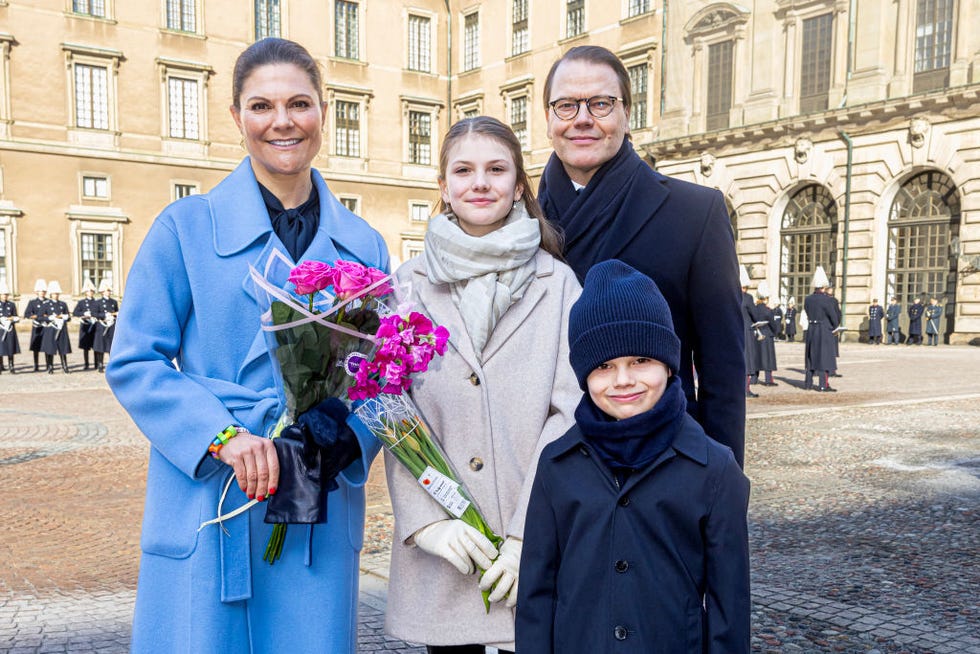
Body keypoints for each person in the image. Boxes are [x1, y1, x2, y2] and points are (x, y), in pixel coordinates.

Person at [105, 38, 390, 653]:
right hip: (213, 497)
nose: (281, 121)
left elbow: (384, 378)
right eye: (261, 106)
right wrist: (222, 436)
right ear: (236, 118)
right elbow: (135, 360)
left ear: (323, 111)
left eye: (299, 104)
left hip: (314, 500)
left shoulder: (365, 245)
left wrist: (340, 435)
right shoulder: (184, 229)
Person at [384, 116, 581, 654]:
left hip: (531, 546)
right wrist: (425, 524)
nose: (480, 182)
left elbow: (570, 411)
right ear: (443, 187)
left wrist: (527, 533)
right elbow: (390, 412)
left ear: (519, 185)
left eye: (497, 169)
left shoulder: (558, 282)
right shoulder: (406, 285)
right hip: (448, 551)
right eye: (464, 170)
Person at [516, 259, 750, 654]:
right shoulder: (557, 465)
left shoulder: (714, 468)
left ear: (668, 364)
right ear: (584, 375)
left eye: (640, 361)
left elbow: (730, 608)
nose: (623, 380)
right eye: (604, 366)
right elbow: (536, 596)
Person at [537, 45, 745, 467]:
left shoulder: (694, 212)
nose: (582, 118)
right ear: (547, 119)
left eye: (600, 104)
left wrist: (723, 483)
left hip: (656, 465)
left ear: (627, 114)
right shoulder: (519, 217)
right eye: (566, 105)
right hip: (545, 466)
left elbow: (723, 368)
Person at [803, 267, 839, 392]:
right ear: (823, 287)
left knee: (810, 356)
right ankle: (823, 384)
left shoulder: (808, 299)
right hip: (824, 329)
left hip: (812, 328)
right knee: (824, 356)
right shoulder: (826, 300)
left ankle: (808, 383)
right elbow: (833, 316)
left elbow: (807, 311)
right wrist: (835, 326)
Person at [749, 281, 779, 386]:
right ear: (765, 298)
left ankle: (753, 379)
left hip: (756, 334)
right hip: (767, 334)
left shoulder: (754, 309)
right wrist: (776, 332)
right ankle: (768, 380)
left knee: (756, 357)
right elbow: (773, 324)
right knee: (767, 359)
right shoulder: (768, 311)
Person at [40, 281, 71, 374]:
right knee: (50, 348)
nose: (56, 295)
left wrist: (65, 317)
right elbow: (39, 317)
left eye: (57, 293)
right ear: (51, 294)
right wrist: (49, 318)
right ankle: (50, 366)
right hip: (51, 329)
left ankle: (65, 366)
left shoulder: (63, 304)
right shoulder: (46, 304)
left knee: (63, 348)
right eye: (54, 294)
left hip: (61, 329)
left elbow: (68, 316)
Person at [739, 267, 759, 398]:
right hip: (746, 331)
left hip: (734, 331)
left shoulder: (730, 294)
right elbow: (755, 314)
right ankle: (746, 389)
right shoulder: (748, 298)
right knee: (748, 361)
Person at [73, 279, 100, 370]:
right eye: (89, 291)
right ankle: (86, 363)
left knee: (96, 346)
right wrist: (83, 314)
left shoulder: (97, 302)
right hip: (85, 325)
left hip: (95, 326)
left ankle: (97, 363)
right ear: (85, 292)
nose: (90, 293)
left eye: (92, 291)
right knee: (86, 347)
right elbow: (75, 313)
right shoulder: (81, 303)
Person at [93, 279, 119, 373]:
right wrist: (105, 315)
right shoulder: (98, 302)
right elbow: (94, 313)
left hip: (112, 326)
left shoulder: (113, 302)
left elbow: (117, 311)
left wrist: (115, 314)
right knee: (101, 346)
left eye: (109, 290)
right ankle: (100, 364)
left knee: (111, 345)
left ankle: (111, 363)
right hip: (102, 326)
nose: (108, 292)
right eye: (107, 290)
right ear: (102, 292)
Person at [24, 279, 46, 372]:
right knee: (35, 347)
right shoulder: (32, 302)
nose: (42, 293)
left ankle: (48, 364)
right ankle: (36, 365)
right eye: (40, 291)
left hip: (46, 326)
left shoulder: (48, 302)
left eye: (44, 291)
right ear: (36, 292)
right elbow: (27, 314)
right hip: (37, 326)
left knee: (46, 346)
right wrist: (36, 316)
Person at [0, 283, 21, 373]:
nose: (5, 296)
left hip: (10, 329)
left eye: (6, 294)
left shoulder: (11, 305)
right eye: (3, 294)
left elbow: (16, 316)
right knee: (0, 348)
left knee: (10, 347)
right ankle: (0, 366)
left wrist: (12, 319)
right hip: (0, 329)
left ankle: (11, 366)